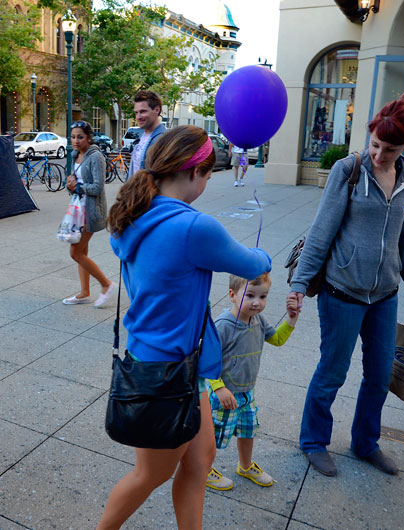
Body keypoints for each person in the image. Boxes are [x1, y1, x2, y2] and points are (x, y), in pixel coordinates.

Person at [97, 126, 271, 529]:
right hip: (167, 371)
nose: (208, 183)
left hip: (171, 362)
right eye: (209, 175)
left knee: (200, 458)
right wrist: (262, 253)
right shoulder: (194, 227)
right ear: (194, 173)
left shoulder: (137, 215)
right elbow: (254, 265)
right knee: (151, 474)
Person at [288, 89, 404, 478]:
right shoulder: (348, 171)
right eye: (374, 144)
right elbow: (320, 233)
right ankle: (313, 441)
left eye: (389, 148)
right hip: (342, 291)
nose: (379, 155)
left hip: (384, 295)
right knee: (333, 371)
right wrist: (299, 285)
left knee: (379, 374)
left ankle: (366, 442)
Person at [205, 273, 299, 491]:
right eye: (250, 296)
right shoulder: (222, 326)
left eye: (263, 296)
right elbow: (207, 360)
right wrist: (218, 388)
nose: (257, 302)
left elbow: (276, 339)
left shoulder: (258, 320)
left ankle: (245, 466)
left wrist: (291, 319)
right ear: (232, 295)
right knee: (213, 435)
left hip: (247, 393)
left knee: (248, 431)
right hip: (225, 395)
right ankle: (202, 469)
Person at [63, 120, 116, 307]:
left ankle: (106, 284)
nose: (76, 141)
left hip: (91, 211)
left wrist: (78, 186)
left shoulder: (96, 157)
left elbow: (98, 187)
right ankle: (85, 292)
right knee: (82, 251)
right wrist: (70, 186)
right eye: (73, 137)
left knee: (75, 252)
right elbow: (73, 185)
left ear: (89, 137)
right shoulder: (75, 155)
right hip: (77, 210)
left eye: (80, 137)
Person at [127, 90, 167, 179]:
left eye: (143, 111)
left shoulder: (162, 140)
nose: (138, 117)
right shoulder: (143, 137)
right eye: (136, 113)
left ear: (157, 110)